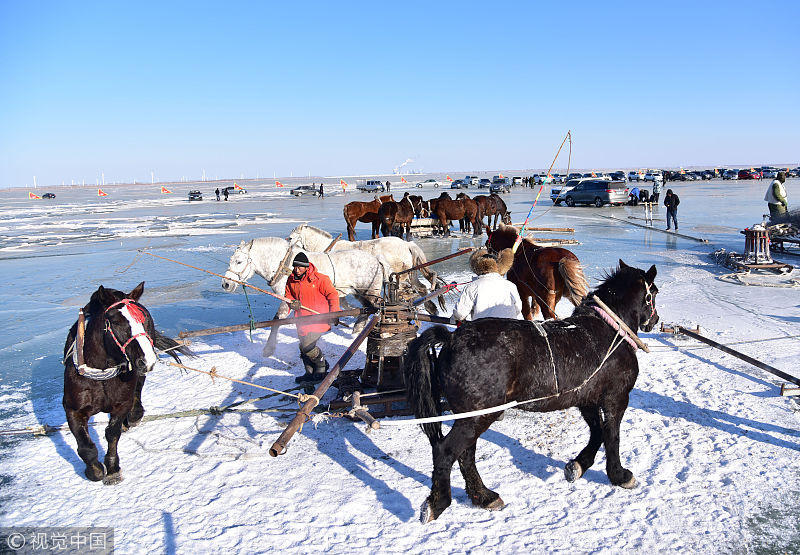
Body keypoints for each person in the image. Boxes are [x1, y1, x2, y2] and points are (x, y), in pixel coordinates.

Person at [284, 252, 340, 383]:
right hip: (301, 319)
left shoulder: (320, 279)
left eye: (300, 267)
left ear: (307, 267)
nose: (297, 270)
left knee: (307, 346)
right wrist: (292, 303)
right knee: (302, 348)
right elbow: (288, 295)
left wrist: (334, 313)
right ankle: (309, 373)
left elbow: (333, 295)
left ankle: (322, 366)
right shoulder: (291, 280)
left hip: (318, 319)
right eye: (295, 267)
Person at [451, 247, 521, 323]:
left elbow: (460, 314)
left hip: (483, 330)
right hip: (510, 329)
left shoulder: (472, 287)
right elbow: (518, 309)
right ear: (498, 267)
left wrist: (453, 319)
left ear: (477, 267)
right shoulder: (511, 285)